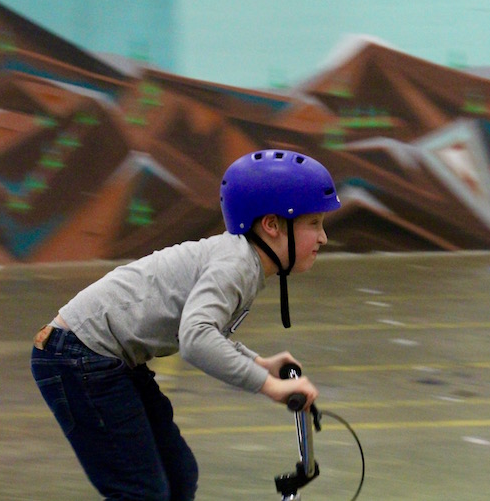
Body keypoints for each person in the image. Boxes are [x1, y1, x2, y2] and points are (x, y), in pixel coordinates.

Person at [30, 148, 341, 500]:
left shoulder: (242, 261)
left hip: (103, 359)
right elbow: (195, 339)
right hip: (78, 357)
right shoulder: (234, 266)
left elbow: (205, 330)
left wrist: (261, 364)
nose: (323, 237)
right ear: (272, 225)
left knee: (178, 475)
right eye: (313, 223)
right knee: (141, 492)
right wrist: (268, 386)